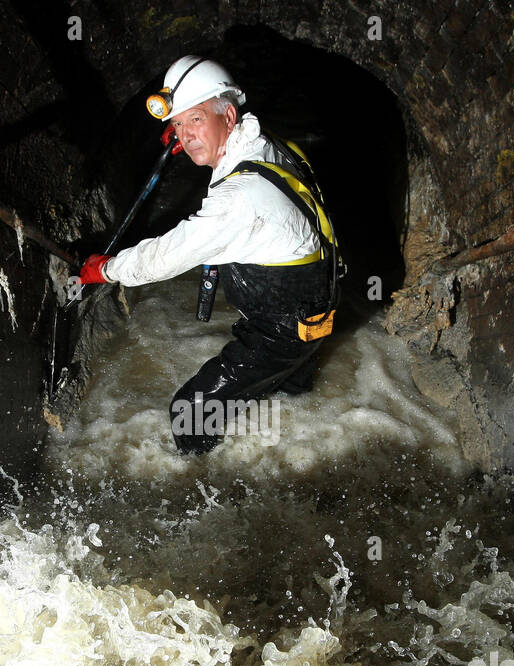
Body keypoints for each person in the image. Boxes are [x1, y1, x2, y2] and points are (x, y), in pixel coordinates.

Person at [78, 55, 342, 455]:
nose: (184, 135)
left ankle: (199, 483)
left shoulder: (237, 200)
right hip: (316, 304)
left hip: (282, 326)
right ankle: (298, 433)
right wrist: (193, 129)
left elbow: (165, 256)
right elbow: (221, 143)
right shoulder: (264, 142)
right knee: (289, 390)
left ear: (229, 116)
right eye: (178, 125)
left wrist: (108, 269)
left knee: (189, 412)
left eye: (195, 120)